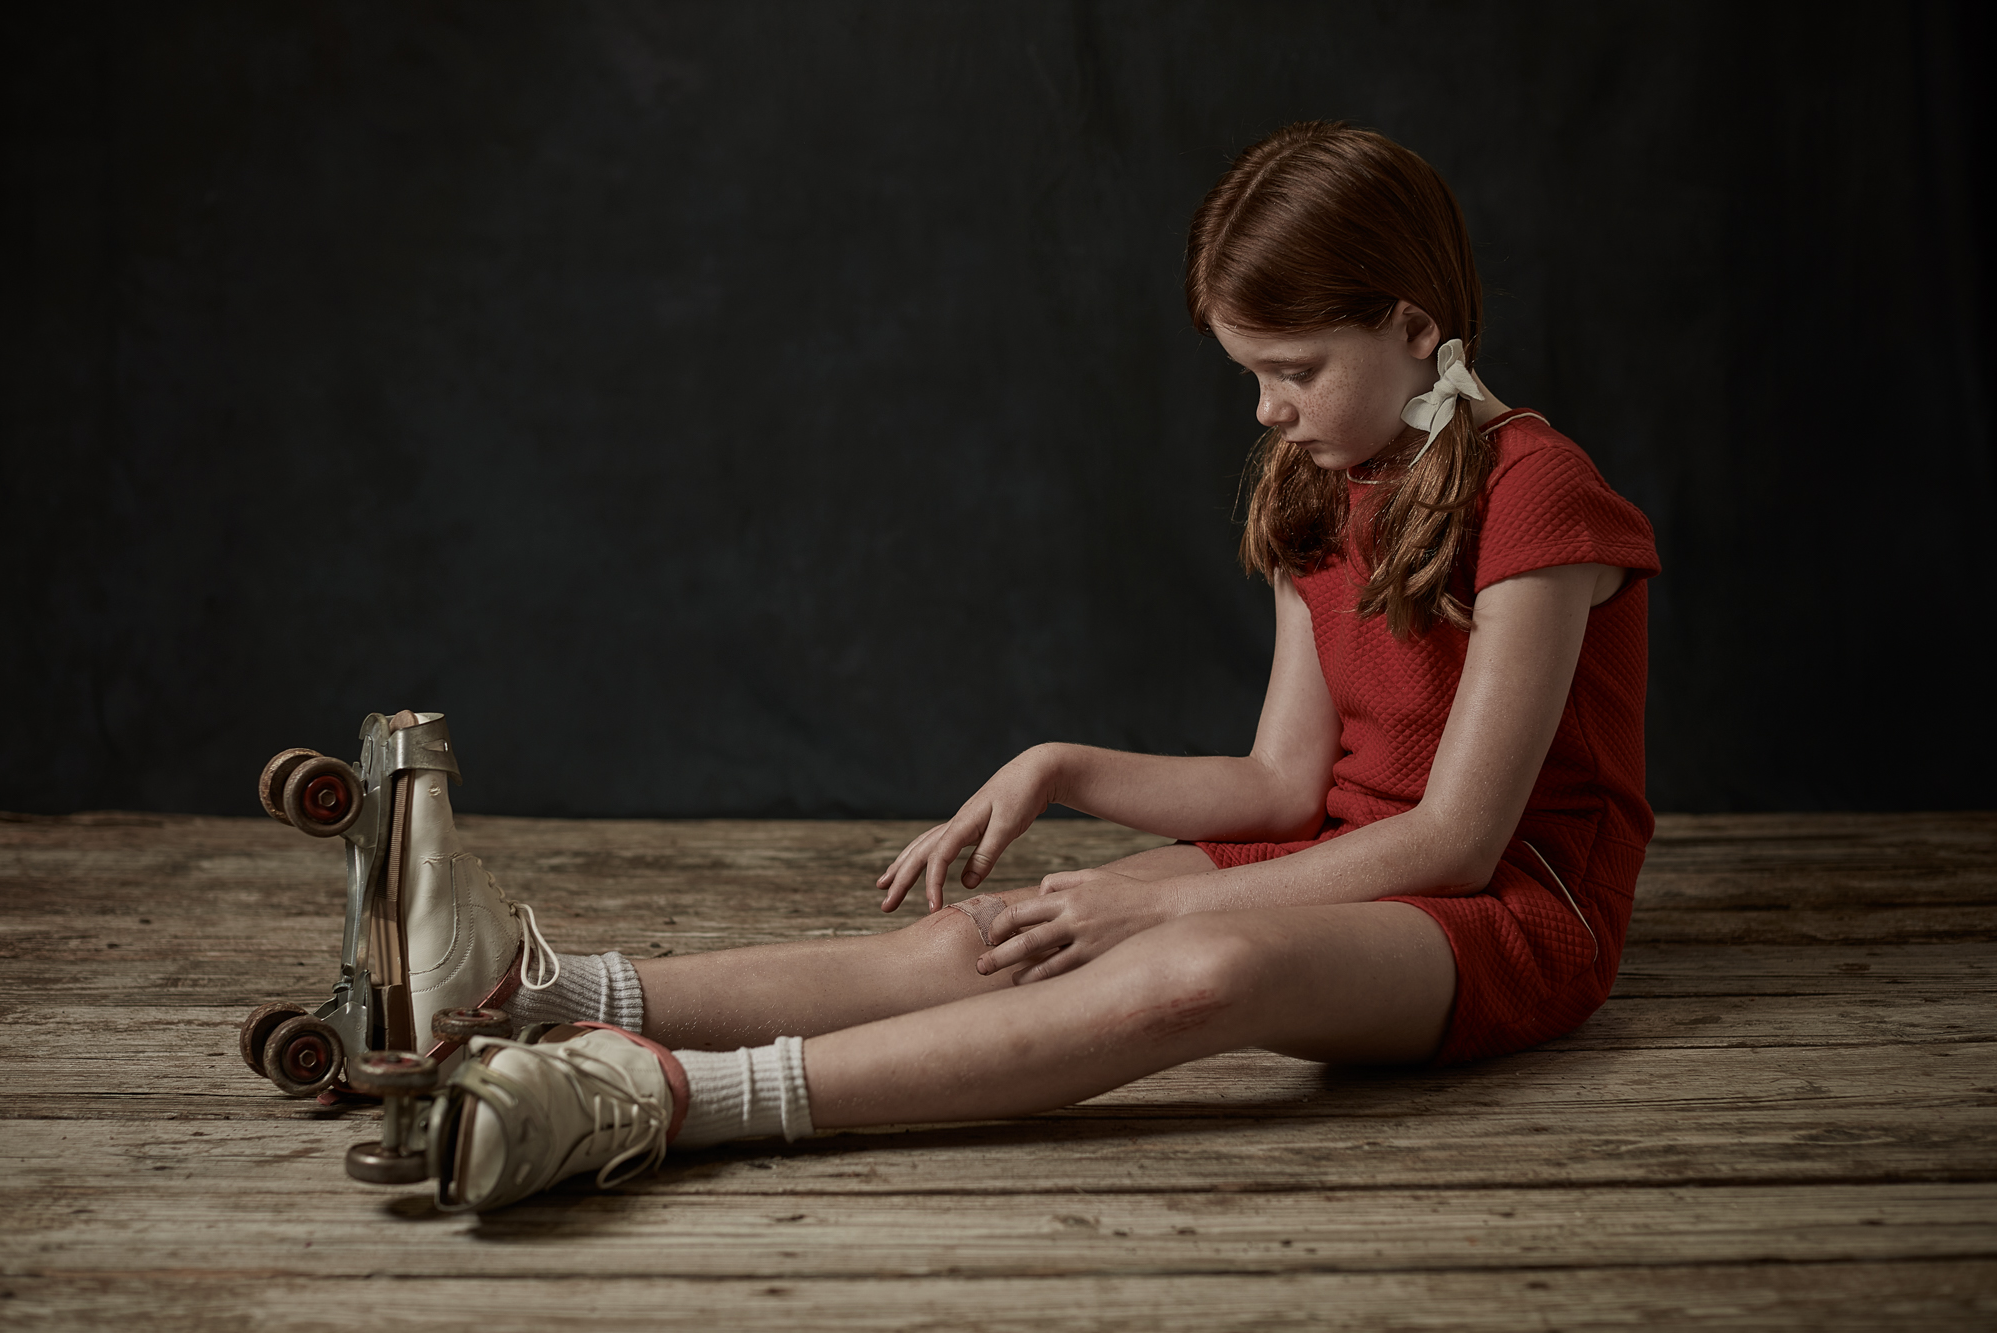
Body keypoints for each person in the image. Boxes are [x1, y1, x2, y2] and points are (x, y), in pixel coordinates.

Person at [429, 120, 1660, 1212]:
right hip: (1335, 854)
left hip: (1506, 908)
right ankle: (533, 987)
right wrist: (1060, 765)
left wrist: (1159, 899)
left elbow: (1453, 839)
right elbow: (1285, 785)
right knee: (1009, 935)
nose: (1265, 413)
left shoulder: (1536, 494)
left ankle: (671, 1099)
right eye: (1250, 376)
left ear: (1411, 325)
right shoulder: (1319, 476)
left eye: (1293, 371)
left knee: (1199, 966)